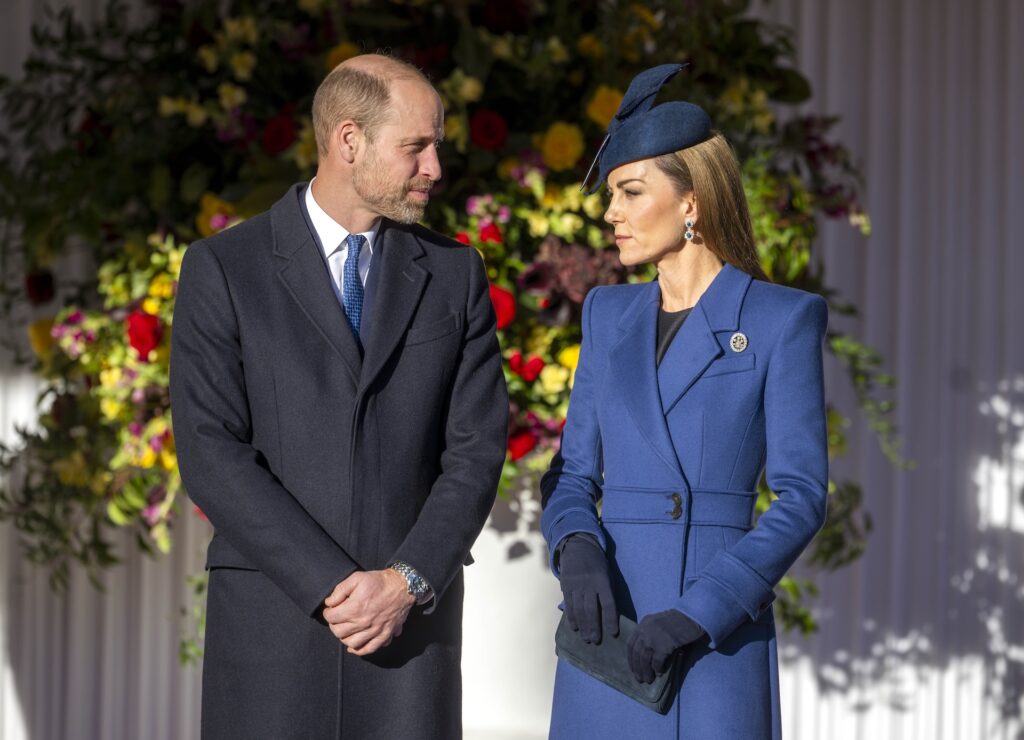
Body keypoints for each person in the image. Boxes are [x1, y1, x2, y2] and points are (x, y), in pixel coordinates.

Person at [170, 54, 508, 739]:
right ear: (348, 141)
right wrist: (332, 584)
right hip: (274, 627)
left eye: (436, 146)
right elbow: (211, 451)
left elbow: (476, 449)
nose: (435, 167)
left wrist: (406, 582)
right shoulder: (223, 269)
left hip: (410, 638)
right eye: (416, 147)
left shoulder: (454, 272)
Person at [540, 64, 829, 739]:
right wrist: (577, 548)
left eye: (630, 191)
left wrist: (706, 609)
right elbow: (573, 473)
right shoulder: (606, 313)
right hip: (607, 630)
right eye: (611, 194)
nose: (611, 213)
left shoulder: (782, 319)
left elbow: (801, 497)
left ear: (692, 201)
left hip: (710, 636)